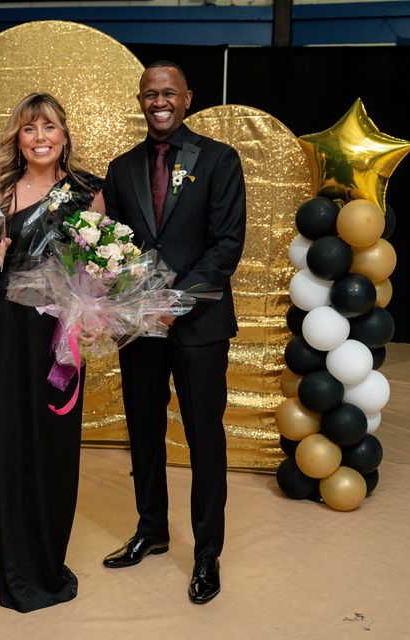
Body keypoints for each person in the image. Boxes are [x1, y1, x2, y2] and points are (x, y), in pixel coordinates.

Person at [101, 61, 246, 605]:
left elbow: (227, 245)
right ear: (140, 100)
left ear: (187, 98)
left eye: (169, 93)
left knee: (204, 436)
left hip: (199, 326)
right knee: (143, 429)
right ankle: (152, 529)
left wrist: (174, 301)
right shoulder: (121, 168)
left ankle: (207, 552)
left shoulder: (219, 160)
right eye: (150, 94)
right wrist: (132, 299)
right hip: (139, 326)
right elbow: (112, 248)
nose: (159, 102)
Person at [0, 93, 104, 613]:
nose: (40, 137)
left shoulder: (88, 193)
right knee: (7, 441)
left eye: (49, 127)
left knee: (55, 444)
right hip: (6, 330)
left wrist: (91, 317)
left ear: (64, 135)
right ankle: (15, 571)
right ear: (19, 139)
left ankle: (48, 562)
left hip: (59, 334)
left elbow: (98, 273)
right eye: (29, 129)